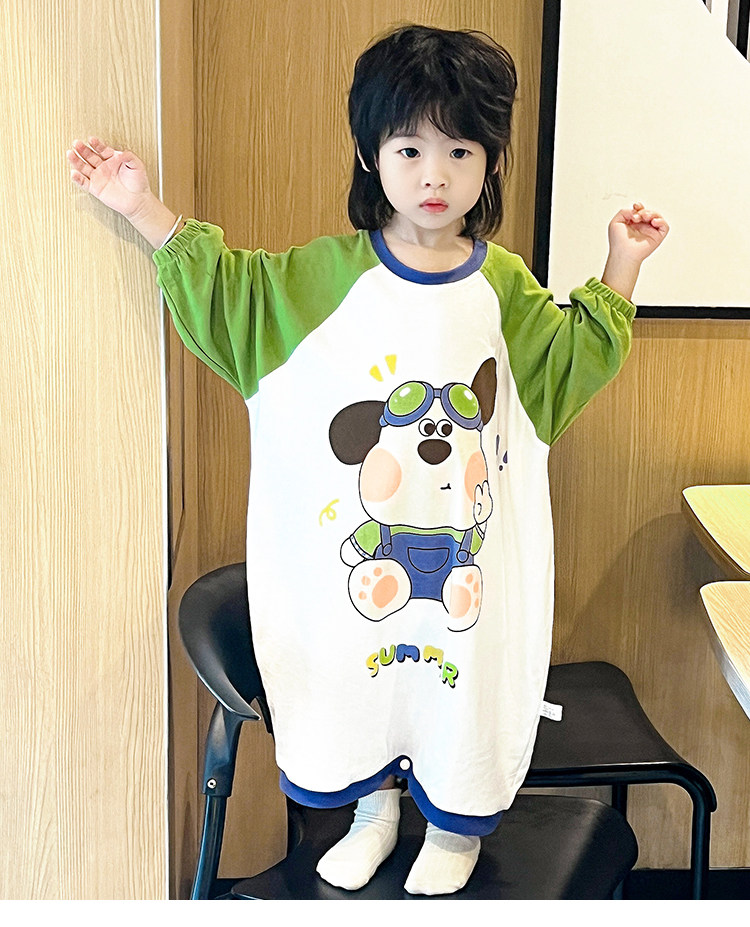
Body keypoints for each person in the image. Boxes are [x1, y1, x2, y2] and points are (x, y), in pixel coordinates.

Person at [67, 24, 668, 897]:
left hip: (468, 575)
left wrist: (622, 264)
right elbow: (233, 295)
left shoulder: (503, 287)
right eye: (410, 149)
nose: (435, 175)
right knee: (360, 685)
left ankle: (454, 831)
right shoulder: (322, 281)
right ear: (369, 154)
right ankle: (373, 814)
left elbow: (564, 365)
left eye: (460, 150)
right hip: (357, 579)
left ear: (491, 161)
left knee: (456, 693)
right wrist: (139, 206)